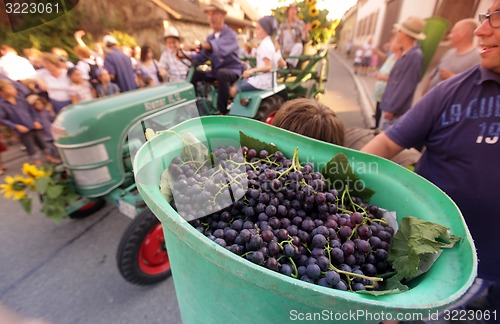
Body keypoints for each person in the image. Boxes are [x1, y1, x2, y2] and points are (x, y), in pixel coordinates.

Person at [361, 0, 500, 313]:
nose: (481, 29)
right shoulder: (450, 93)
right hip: (435, 278)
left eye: (497, 17)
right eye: (484, 17)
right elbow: (384, 145)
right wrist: (335, 186)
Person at [180, 0, 243, 115]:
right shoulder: (210, 37)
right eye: (209, 14)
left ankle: (222, 110)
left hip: (232, 70)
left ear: (223, 15)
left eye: (214, 13)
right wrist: (185, 55)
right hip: (215, 71)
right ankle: (191, 104)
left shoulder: (231, 35)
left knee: (222, 74)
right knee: (195, 72)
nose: (211, 17)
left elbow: (216, 47)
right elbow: (202, 56)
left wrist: (197, 45)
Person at [377, 16, 425, 130]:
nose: (397, 33)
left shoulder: (414, 56)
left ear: (405, 34)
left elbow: (406, 85)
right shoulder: (406, 53)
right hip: (389, 105)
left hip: (394, 111)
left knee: (384, 140)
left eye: (400, 30)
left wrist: (392, 108)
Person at [0, 79, 60, 165]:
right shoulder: (2, 105)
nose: (13, 89)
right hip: (22, 130)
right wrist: (16, 126)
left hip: (32, 125)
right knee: (30, 147)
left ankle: (49, 158)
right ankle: (38, 163)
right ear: (2, 91)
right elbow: (3, 119)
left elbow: (31, 110)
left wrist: (36, 120)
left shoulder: (20, 99)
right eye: (9, 88)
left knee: (42, 142)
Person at [421, 18, 480, 95]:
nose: (449, 36)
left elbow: (474, 88)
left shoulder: (477, 57)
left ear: (463, 33)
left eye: (452, 32)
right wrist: (424, 94)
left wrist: (452, 78)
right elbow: (433, 74)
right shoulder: (449, 52)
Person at [229, 16, 279, 98]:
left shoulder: (265, 45)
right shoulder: (267, 43)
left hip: (263, 82)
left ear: (265, 30)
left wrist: (252, 71)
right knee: (239, 82)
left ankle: (234, 107)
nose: (256, 31)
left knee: (233, 89)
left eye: (258, 29)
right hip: (266, 80)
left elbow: (268, 66)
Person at [372, 35, 403, 128]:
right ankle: (377, 127)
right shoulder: (392, 56)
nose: (390, 44)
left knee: (386, 119)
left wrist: (381, 77)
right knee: (378, 109)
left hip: (388, 93)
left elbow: (396, 78)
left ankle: (379, 130)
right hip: (381, 91)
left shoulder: (400, 60)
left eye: (393, 41)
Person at [276, 3, 310, 68]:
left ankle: (288, 65)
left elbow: (304, 39)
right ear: (288, 11)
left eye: (295, 10)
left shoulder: (300, 24)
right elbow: (278, 38)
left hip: (294, 50)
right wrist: (277, 46)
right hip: (283, 49)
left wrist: (306, 31)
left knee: (299, 46)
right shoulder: (283, 25)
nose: (293, 11)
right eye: (291, 9)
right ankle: (281, 65)